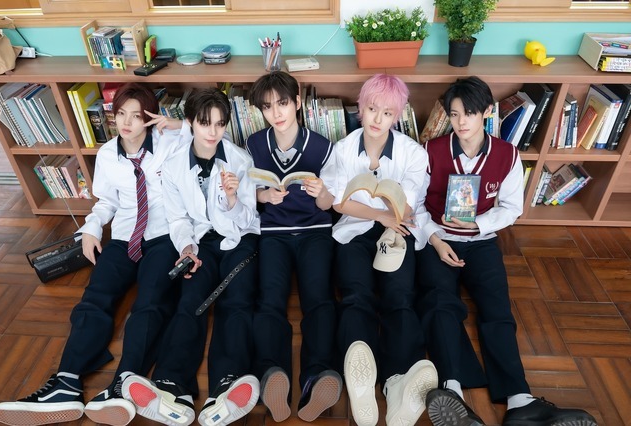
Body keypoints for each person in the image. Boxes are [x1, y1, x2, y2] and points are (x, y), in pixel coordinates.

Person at [0, 82, 192, 426]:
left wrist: (179, 124)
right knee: (94, 298)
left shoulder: (170, 143)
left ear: (149, 118)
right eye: (120, 114)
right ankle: (66, 382)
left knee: (151, 302)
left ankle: (126, 382)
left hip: (164, 236)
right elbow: (107, 201)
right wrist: (92, 228)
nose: (126, 122)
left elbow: (211, 137)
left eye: (136, 116)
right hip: (124, 236)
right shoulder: (107, 154)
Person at [415, 76, 597, 426]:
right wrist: (435, 239)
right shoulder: (431, 151)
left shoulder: (507, 155)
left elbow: (512, 208)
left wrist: (478, 224)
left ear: (486, 112)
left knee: (496, 307)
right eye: (454, 115)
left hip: (482, 240)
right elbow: (415, 205)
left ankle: (519, 400)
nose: (462, 122)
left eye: (469, 113)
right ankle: (452, 390)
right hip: (438, 239)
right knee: (438, 302)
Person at [120, 87, 261, 426]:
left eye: (220, 124)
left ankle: (226, 385)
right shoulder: (172, 166)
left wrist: (232, 199)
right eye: (205, 123)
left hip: (239, 239)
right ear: (190, 122)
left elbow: (247, 219)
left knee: (237, 301)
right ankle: (172, 386)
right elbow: (178, 219)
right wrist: (187, 249)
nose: (213, 132)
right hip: (200, 242)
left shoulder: (241, 160)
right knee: (191, 301)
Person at [323, 73, 438, 426]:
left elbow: (409, 205)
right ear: (361, 107)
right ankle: (362, 376)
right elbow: (338, 204)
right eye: (372, 109)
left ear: (397, 115)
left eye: (387, 113)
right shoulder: (343, 150)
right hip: (354, 229)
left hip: (397, 229)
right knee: (356, 293)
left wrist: (391, 209)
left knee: (399, 296)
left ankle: (396, 381)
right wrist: (377, 214)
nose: (377, 119)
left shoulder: (412, 153)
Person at [245, 71, 342, 423]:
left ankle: (317, 375)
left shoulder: (322, 147)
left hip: (315, 231)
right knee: (270, 300)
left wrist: (323, 194)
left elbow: (330, 204)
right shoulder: (254, 145)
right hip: (273, 233)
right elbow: (250, 192)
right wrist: (263, 196)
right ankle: (273, 373)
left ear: (298, 102)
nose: (277, 112)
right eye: (268, 106)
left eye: (283, 103)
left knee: (319, 299)